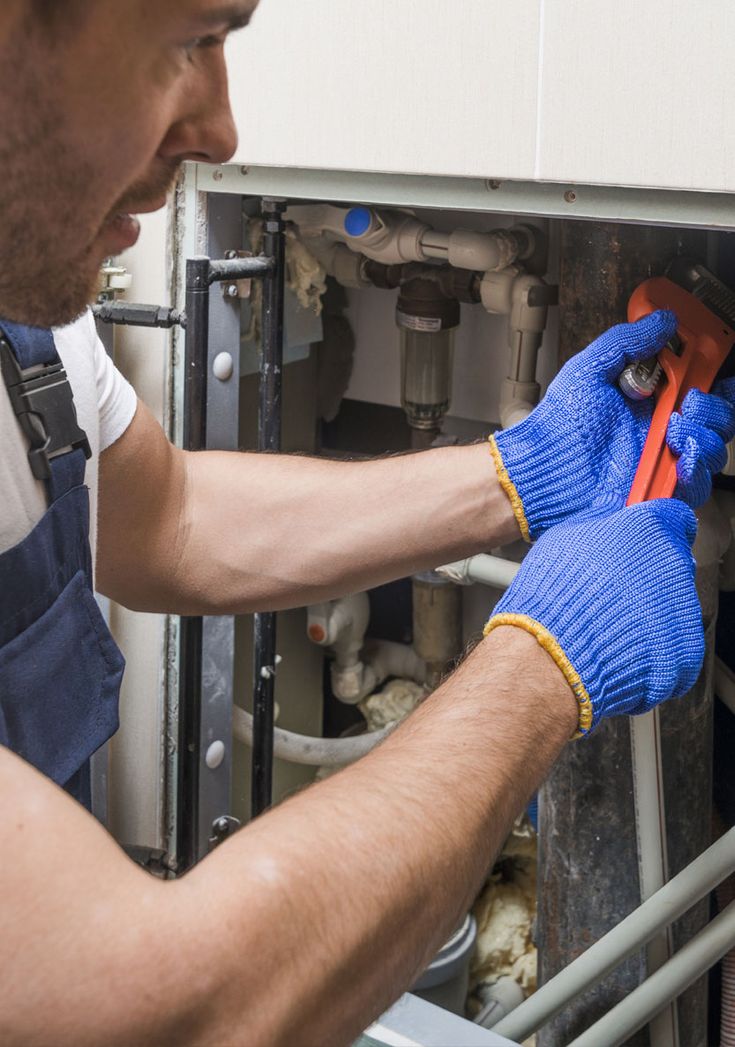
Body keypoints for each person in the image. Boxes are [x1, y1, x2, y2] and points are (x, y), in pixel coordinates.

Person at [1, 2, 733, 1044]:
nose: (222, 131)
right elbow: (177, 1013)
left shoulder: (21, 315)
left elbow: (170, 519)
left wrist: (514, 478)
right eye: (190, 43)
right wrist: (544, 665)